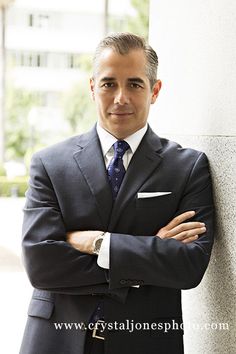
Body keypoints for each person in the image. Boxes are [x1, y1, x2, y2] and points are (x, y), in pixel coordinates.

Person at [20, 33, 214, 354]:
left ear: (155, 90)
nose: (121, 97)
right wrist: (149, 254)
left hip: (146, 342)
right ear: (92, 87)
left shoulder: (188, 167)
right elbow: (42, 264)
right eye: (109, 83)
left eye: (135, 84)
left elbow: (188, 266)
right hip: (55, 341)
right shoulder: (49, 163)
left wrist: (99, 243)